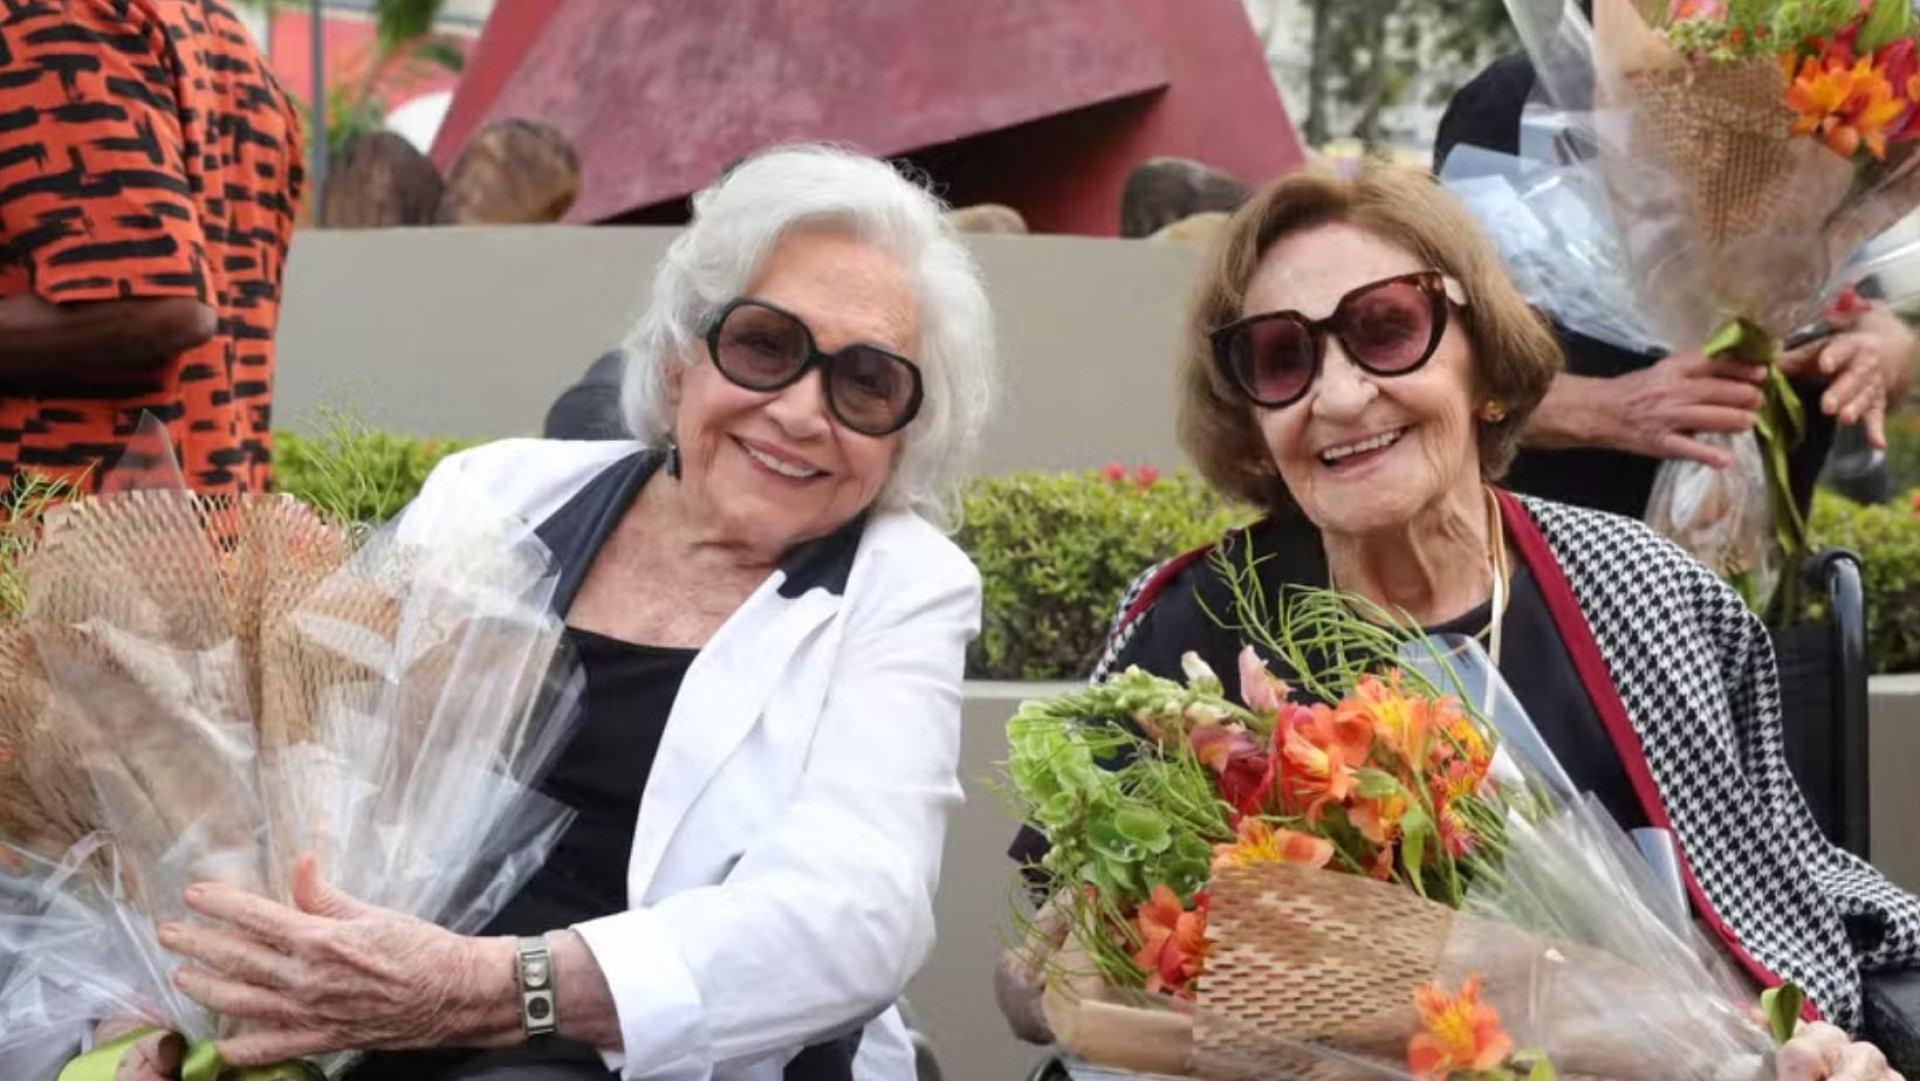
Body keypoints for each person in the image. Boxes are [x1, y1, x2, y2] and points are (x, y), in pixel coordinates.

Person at [994, 164, 1918, 1078]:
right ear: (1249, 417)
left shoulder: (1648, 593)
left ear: (1483, 360)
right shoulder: (1193, 625)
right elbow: (1041, 976)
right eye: (1282, 357)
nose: (1342, 395)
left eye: (1388, 329)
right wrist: (1093, 990)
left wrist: (1803, 1052)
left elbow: (1780, 893)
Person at [113, 144, 996, 1081]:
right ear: (677, 361)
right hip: (376, 1032)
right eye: (766, 346)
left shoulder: (903, 587)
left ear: (905, 436)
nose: (801, 411)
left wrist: (490, 985)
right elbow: (289, 772)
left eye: (866, 381)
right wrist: (162, 1009)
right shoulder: (491, 497)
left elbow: (857, 911)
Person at [1433, 42, 1917, 520]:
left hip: (1755, 546)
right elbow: (1431, 363)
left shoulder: (1817, 90)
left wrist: (1882, 350)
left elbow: (1855, 297)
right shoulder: (1520, 101)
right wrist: (1607, 409)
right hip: (1557, 549)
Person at [0, 0, 304, 495]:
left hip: (60, 547)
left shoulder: (42, 18)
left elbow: (156, 305)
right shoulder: (222, 32)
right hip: (211, 529)